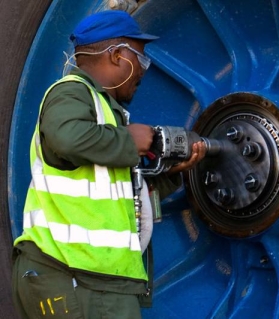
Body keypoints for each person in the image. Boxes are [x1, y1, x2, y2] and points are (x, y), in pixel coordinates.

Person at [11, 10, 205, 319]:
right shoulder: (71, 92)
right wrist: (131, 140)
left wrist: (170, 175)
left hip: (98, 282)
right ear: (117, 56)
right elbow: (67, 138)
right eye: (139, 59)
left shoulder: (105, 117)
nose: (143, 70)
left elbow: (122, 199)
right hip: (74, 276)